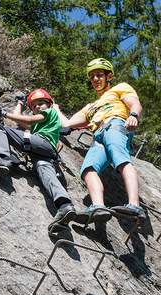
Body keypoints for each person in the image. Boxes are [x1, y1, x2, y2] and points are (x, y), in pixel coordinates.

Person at [62, 57, 146, 224]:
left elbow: (135, 103)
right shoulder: (90, 106)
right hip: (98, 135)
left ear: (109, 76)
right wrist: (54, 108)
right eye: (92, 77)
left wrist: (134, 115)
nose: (95, 79)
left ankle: (134, 205)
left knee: (121, 159)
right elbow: (67, 124)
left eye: (99, 75)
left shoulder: (120, 88)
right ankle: (98, 206)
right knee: (88, 169)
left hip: (115, 125)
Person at [0, 89, 77, 234]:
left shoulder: (50, 113)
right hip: (45, 153)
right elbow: (20, 119)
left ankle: (1, 159)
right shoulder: (40, 125)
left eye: (41, 103)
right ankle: (64, 205)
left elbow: (27, 120)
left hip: (41, 142)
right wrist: (20, 103)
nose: (38, 107)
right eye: (34, 106)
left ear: (49, 104)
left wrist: (3, 113)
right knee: (46, 173)